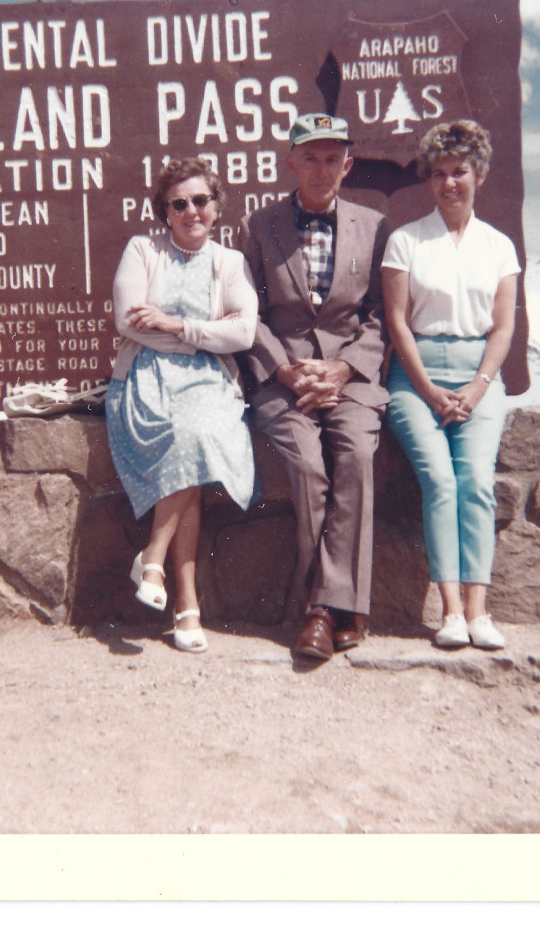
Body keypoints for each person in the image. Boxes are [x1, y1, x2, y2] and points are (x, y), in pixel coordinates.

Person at [238, 113, 391, 660]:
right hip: (285, 379)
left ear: (346, 165)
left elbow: (381, 315)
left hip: (350, 378)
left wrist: (345, 370)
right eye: (310, 157)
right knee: (306, 465)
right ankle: (336, 605)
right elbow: (246, 312)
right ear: (291, 163)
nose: (321, 169)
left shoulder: (374, 227)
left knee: (355, 454)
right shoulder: (261, 226)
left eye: (332, 158)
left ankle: (323, 611)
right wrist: (284, 369)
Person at [106, 157, 260, 654]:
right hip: (145, 379)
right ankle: (187, 605)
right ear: (165, 212)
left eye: (201, 200)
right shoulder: (142, 249)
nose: (192, 210)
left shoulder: (229, 263)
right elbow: (129, 322)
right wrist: (200, 341)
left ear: (216, 207)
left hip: (211, 384)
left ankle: (153, 559)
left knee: (196, 431)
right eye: (180, 203)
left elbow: (243, 332)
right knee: (188, 440)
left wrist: (176, 328)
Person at [381, 120, 521, 650]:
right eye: (438, 174)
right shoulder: (406, 241)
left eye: (459, 171)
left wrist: (479, 387)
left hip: (479, 377)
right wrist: (430, 390)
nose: (448, 183)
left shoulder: (498, 247)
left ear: (478, 174)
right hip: (415, 379)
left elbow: (503, 326)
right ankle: (451, 612)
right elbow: (397, 323)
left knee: (476, 484)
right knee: (439, 481)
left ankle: (480, 611)